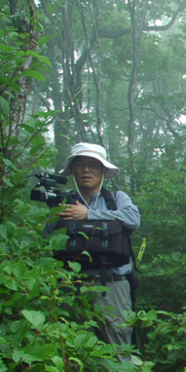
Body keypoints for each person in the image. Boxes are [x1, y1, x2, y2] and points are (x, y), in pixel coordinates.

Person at [44, 142, 140, 350]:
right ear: (73, 170)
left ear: (103, 170)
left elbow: (133, 219)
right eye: (80, 165)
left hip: (112, 286)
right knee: (74, 351)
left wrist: (87, 214)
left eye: (93, 165)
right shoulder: (64, 202)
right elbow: (47, 238)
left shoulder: (116, 199)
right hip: (71, 286)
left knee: (118, 350)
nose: (86, 170)